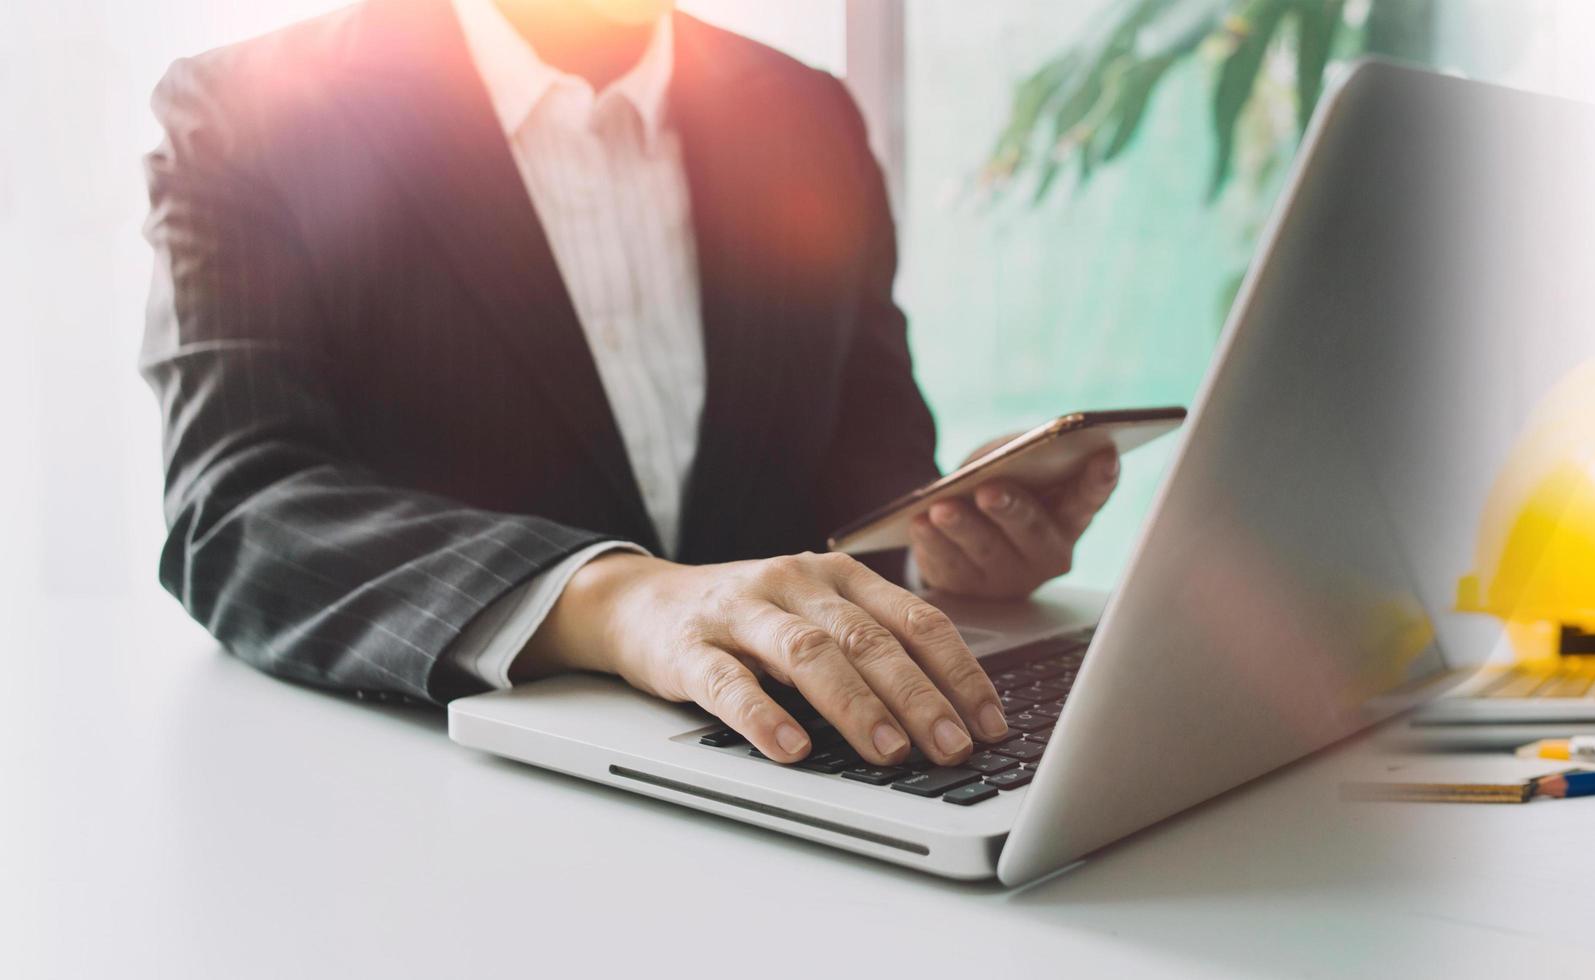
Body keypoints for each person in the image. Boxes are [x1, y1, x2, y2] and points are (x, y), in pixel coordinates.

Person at [141, 0, 1116, 768]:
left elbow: (862, 475)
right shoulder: (249, 111)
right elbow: (236, 508)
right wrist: (618, 599)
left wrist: (941, 547)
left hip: (805, 782)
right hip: (447, 824)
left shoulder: (806, 116)